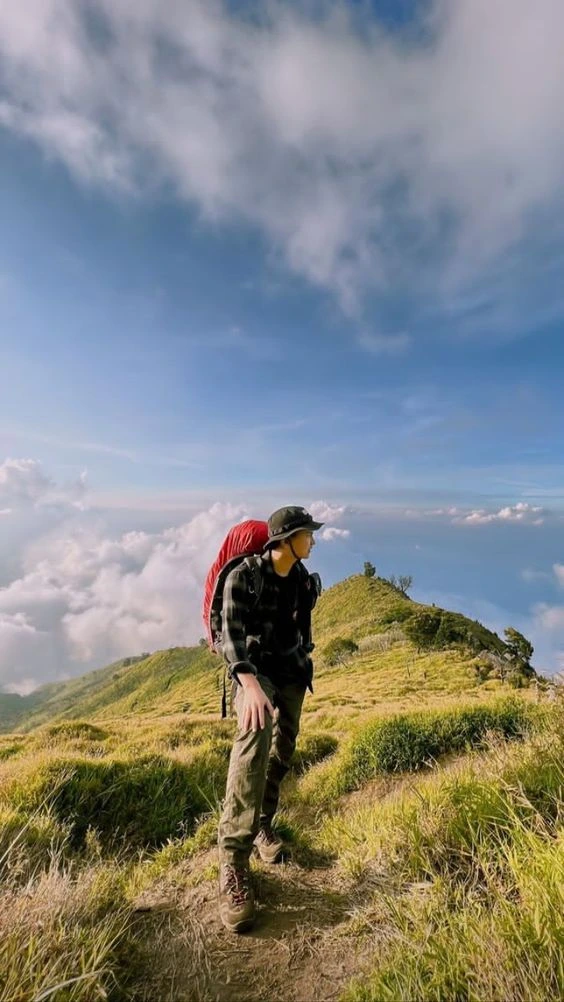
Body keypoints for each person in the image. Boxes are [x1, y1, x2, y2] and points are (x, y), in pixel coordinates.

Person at [217, 506, 323, 933]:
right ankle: (233, 862)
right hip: (253, 669)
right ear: (288, 539)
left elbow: (303, 632)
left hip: (290, 668)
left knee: (285, 746)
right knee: (254, 736)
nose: (313, 542)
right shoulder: (245, 576)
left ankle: (263, 823)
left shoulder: (301, 581)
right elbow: (230, 633)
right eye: (308, 535)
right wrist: (249, 685)